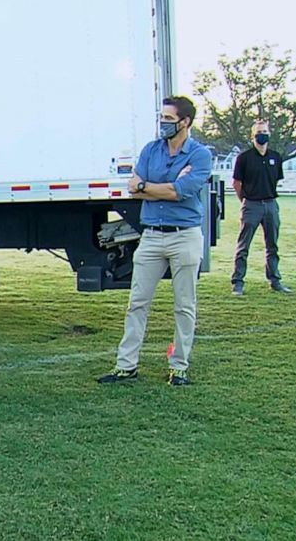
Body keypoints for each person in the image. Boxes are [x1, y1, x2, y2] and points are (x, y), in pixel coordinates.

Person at [98, 96, 212, 387]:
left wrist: (148, 186)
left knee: (184, 305)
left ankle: (179, 368)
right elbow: (133, 189)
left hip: (184, 236)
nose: (163, 124)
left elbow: (181, 192)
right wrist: (159, 187)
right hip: (150, 236)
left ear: (185, 122)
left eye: (169, 119)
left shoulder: (199, 155)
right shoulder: (151, 150)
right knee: (137, 302)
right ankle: (126, 367)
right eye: (162, 118)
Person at [230, 120, 291, 295]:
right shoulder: (244, 158)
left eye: (264, 131)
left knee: (272, 245)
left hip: (271, 205)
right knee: (243, 246)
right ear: (252, 136)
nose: (261, 134)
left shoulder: (275, 157)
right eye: (258, 132)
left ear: (269, 134)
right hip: (251, 205)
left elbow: (276, 180)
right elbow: (236, 183)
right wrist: (245, 201)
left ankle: (275, 280)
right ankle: (238, 282)